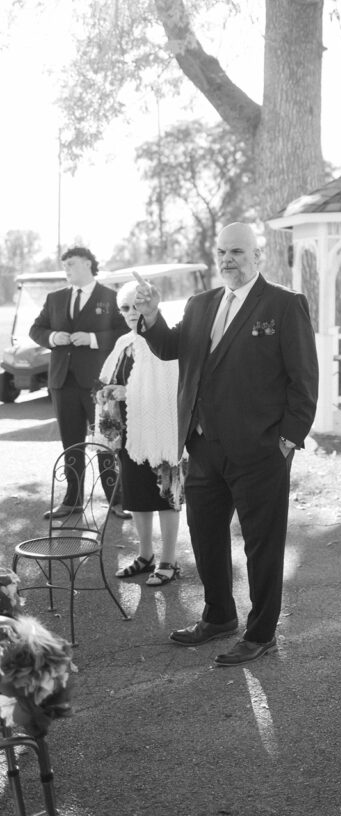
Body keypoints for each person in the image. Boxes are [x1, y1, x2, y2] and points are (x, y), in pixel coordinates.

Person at [133, 222, 318, 663]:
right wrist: (153, 316)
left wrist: (287, 440)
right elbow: (169, 346)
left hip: (260, 450)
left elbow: (304, 382)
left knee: (262, 544)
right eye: (222, 252)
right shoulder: (200, 304)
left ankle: (261, 633)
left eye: (237, 251)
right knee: (206, 536)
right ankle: (218, 616)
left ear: (258, 257)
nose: (228, 259)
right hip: (202, 445)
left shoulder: (284, 305)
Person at [29, 246, 130, 519]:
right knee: (71, 444)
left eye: (71, 264)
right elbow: (35, 330)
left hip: (99, 383)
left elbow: (124, 331)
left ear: (87, 263)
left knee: (106, 442)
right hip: (62, 382)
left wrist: (93, 339)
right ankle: (72, 500)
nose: (67, 270)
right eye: (65, 266)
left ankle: (116, 500)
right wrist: (53, 337)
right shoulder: (55, 298)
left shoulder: (111, 297)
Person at [95, 281, 183, 587]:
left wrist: (125, 392)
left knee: (165, 496)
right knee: (137, 499)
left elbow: (169, 391)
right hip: (129, 436)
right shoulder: (123, 343)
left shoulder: (163, 340)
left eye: (136, 305)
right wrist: (109, 394)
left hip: (160, 431)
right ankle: (145, 556)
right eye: (125, 307)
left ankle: (169, 561)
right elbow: (113, 381)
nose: (132, 312)